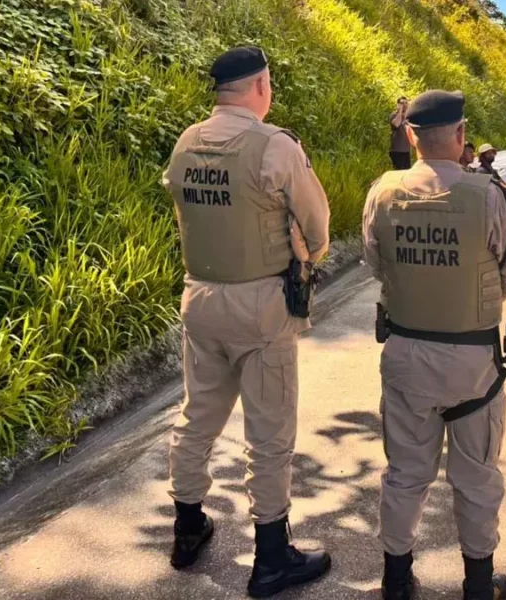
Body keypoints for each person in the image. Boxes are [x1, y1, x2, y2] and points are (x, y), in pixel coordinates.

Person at [161, 46, 333, 597]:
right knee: (269, 433)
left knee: (196, 417)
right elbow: (318, 223)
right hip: (261, 306)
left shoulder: (187, 141)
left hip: (200, 297)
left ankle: (188, 528)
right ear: (261, 85)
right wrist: (303, 256)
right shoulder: (274, 146)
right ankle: (272, 555)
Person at [362, 89, 506, 600]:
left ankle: (395, 579)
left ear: (410, 136)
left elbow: (374, 264)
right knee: (475, 477)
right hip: (472, 363)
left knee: (405, 474)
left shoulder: (382, 192)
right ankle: (479, 584)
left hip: (406, 356)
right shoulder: (490, 195)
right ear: (460, 135)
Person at [390, 96, 412, 169]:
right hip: (397, 150)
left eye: (406, 103)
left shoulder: (409, 117)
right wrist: (400, 111)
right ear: (398, 105)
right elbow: (396, 124)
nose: (404, 105)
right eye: (402, 103)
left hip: (407, 150)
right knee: (398, 173)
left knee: (407, 173)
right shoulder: (394, 115)